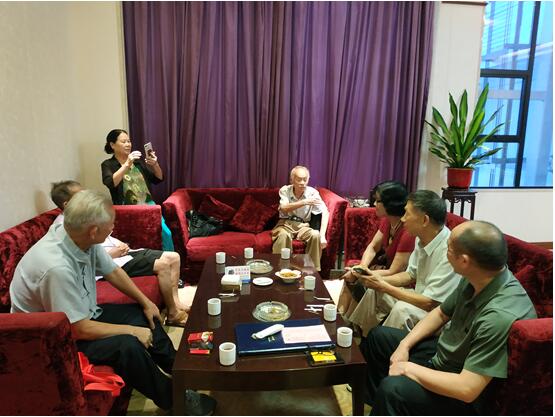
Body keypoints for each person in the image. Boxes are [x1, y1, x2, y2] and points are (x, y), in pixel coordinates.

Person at [9, 189, 216, 414]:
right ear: (94, 231)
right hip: (49, 341)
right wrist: (132, 331)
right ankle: (174, 401)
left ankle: (180, 369)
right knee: (126, 347)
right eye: (111, 224)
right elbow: (78, 329)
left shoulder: (78, 237)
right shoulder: (56, 268)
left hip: (82, 313)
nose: (113, 228)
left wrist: (146, 302)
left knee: (143, 314)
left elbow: (113, 272)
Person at [361, 220, 537, 415]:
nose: (446, 251)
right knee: (378, 338)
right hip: (445, 355)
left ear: (464, 261)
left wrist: (407, 369)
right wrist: (405, 345)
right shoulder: (477, 277)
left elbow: (467, 389)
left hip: (464, 385)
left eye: (449, 248)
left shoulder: (499, 315)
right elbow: (440, 313)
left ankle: (387, 403)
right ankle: (376, 405)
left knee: (393, 389)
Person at [50, 180, 189, 327]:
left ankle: (175, 303)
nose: (87, 197)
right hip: (114, 260)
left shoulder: (84, 222)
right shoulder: (67, 233)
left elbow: (108, 263)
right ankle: (172, 313)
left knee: (173, 257)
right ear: (67, 204)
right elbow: (91, 264)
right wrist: (113, 253)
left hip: (119, 255)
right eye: (80, 195)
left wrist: (146, 302)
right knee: (163, 265)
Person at [349, 190, 461, 335]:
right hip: (419, 296)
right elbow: (410, 275)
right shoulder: (422, 237)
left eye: (407, 214)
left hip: (438, 315)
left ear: (425, 220)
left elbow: (429, 302)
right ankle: (364, 335)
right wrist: (375, 279)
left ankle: (384, 345)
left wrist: (384, 285)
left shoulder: (450, 252)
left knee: (401, 309)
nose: (403, 219)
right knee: (374, 290)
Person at [338, 181, 415, 335]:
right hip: (386, 270)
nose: (374, 204)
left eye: (378, 201)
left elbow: (395, 271)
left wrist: (359, 273)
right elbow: (373, 246)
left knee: (358, 279)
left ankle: (350, 325)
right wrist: (361, 267)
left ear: (391, 203)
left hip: (402, 280)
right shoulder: (388, 221)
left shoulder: (407, 232)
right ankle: (340, 318)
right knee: (351, 276)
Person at [101, 129, 174, 251]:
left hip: (149, 207)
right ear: (112, 145)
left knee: (166, 234)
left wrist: (155, 164)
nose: (128, 144)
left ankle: (170, 258)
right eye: (123, 142)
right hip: (127, 210)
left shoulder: (138, 163)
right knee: (138, 241)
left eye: (129, 141)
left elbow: (158, 179)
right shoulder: (108, 164)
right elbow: (111, 183)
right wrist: (127, 164)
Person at [272, 166, 329, 271]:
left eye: (305, 179)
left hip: (303, 225)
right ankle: (281, 269)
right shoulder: (285, 190)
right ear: (292, 180)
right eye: (299, 179)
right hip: (285, 224)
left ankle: (311, 271)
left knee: (315, 235)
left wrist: (322, 236)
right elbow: (284, 208)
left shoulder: (313, 193)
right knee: (283, 236)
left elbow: (325, 212)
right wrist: (304, 202)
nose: (302, 183)